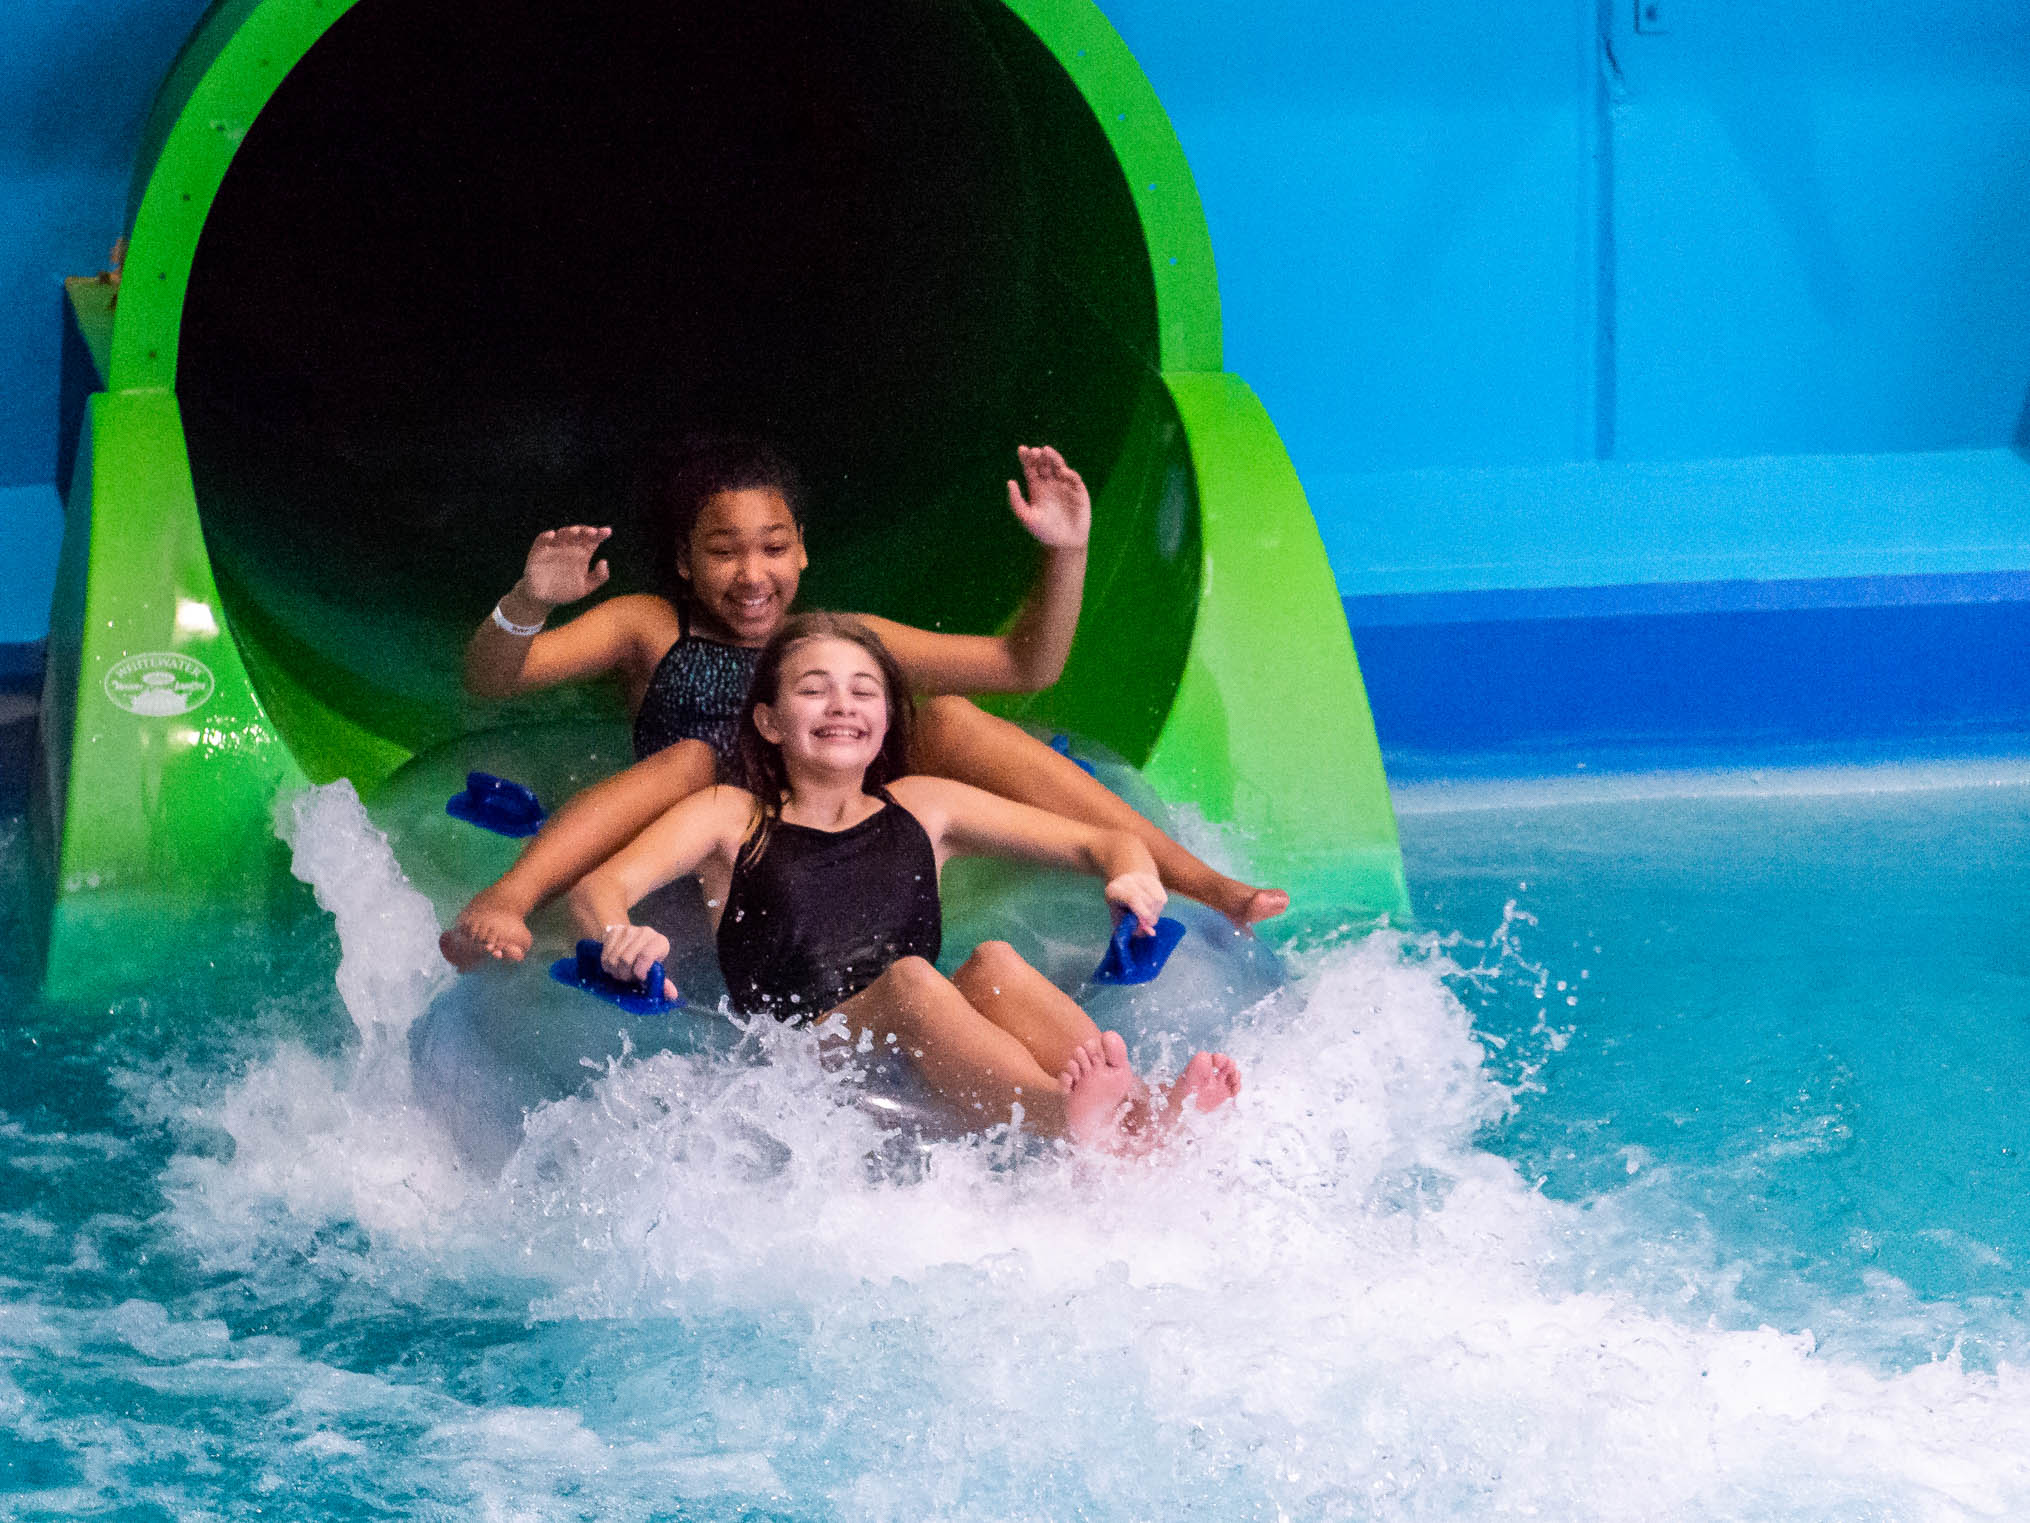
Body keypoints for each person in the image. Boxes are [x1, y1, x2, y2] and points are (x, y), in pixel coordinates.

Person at [443, 437, 1286, 969]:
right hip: (720, 822)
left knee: (945, 716)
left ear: (803, 552)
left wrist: (1066, 553)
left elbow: (1023, 663)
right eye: (724, 552)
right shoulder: (648, 626)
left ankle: (1203, 882)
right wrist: (529, 600)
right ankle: (510, 896)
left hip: (836, 818)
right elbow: (493, 680)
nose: (753, 575)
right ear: (685, 561)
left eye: (774, 547)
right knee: (696, 757)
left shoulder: (830, 642)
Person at [567, 612, 1242, 1152]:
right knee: (914, 979)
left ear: (888, 718)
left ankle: (1148, 1117)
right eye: (813, 688)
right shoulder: (729, 816)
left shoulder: (925, 805)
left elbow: (1102, 839)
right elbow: (599, 887)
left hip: (916, 1034)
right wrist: (618, 934)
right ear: (768, 720)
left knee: (993, 963)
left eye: (864, 691)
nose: (842, 704)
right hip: (802, 1055)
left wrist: (1131, 872)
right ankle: (1062, 1113)